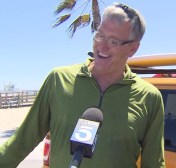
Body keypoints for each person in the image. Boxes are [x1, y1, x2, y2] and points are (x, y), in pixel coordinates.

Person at [0, 2, 165, 168]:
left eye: (113, 41)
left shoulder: (150, 98)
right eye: (99, 35)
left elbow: (154, 164)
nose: (102, 46)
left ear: (133, 48)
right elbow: (21, 142)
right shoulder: (58, 80)